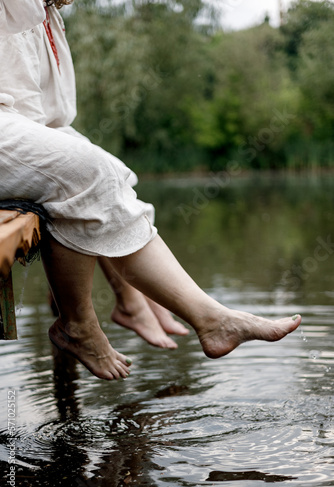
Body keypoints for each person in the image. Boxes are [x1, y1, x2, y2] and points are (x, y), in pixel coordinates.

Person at [0, 0, 302, 381]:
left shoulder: (39, 12)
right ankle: (89, 321)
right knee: (87, 173)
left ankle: (147, 302)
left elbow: (45, 118)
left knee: (110, 170)